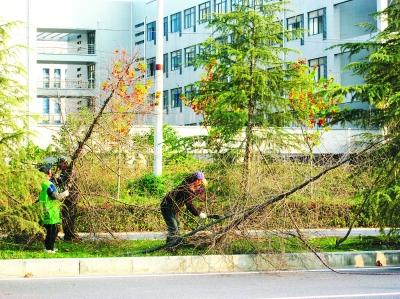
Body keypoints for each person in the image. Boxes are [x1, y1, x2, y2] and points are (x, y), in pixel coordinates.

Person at [160, 171, 208, 245]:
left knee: (177, 226)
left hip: (173, 208)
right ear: (196, 180)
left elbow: (197, 194)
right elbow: (189, 205)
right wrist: (198, 214)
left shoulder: (190, 186)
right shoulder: (185, 189)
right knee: (174, 227)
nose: (200, 184)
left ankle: (173, 244)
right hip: (167, 206)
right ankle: (170, 246)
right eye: (200, 181)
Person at [38, 163, 69, 253]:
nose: (51, 172)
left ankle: (49, 247)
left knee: (50, 230)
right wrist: (65, 193)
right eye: (50, 171)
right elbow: (56, 197)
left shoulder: (41, 184)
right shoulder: (48, 184)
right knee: (52, 231)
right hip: (51, 211)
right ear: (48, 173)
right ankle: (49, 248)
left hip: (44, 210)